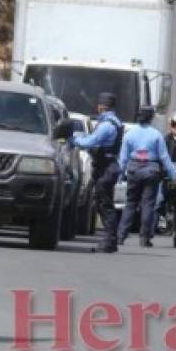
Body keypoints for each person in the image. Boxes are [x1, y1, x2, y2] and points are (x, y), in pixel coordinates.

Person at [70, 92, 124, 253]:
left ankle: (109, 241)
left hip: (106, 168)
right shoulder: (112, 122)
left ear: (101, 106)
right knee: (102, 203)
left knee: (105, 205)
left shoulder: (107, 125)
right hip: (106, 166)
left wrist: (74, 140)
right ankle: (110, 240)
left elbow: (91, 142)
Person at [117, 105, 176, 247]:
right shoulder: (156, 134)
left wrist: (120, 175)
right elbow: (164, 157)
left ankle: (120, 236)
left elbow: (123, 157)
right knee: (148, 204)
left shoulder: (129, 134)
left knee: (130, 203)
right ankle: (144, 238)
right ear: (151, 118)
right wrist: (173, 174)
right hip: (151, 170)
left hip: (133, 170)